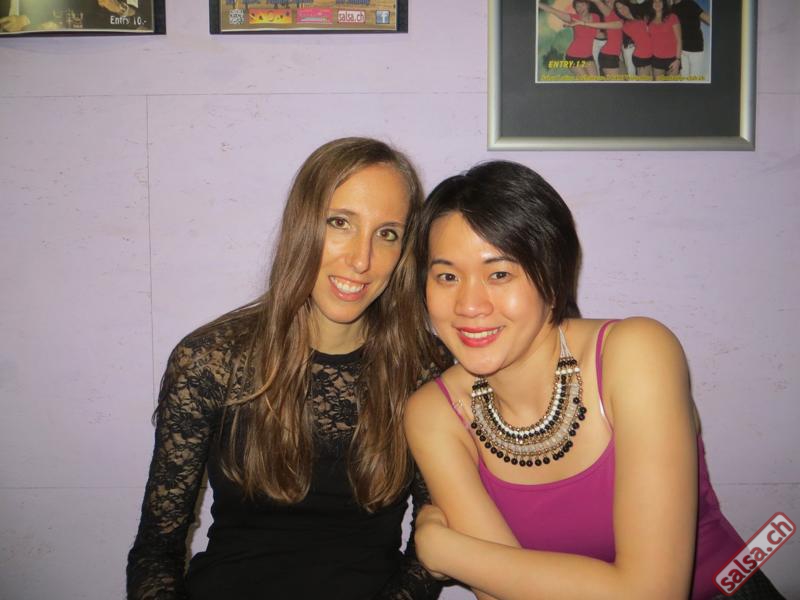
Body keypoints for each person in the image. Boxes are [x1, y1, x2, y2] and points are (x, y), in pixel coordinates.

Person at [404, 161, 785, 600]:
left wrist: (445, 551)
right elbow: (500, 593)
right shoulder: (434, 414)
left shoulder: (636, 353)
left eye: (500, 274)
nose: (469, 305)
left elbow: (654, 594)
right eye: (447, 276)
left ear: (552, 275)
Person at [127, 137, 449, 600]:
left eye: (387, 234)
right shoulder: (209, 361)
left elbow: (430, 548)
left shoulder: (425, 369)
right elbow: (156, 551)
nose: (361, 260)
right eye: (340, 223)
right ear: (303, 225)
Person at [538, 0, 600, 78]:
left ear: (588, 5)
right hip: (573, 57)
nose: (580, 8)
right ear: (575, 9)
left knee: (595, 81)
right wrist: (537, 3)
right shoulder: (573, 18)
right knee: (586, 81)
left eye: (582, 5)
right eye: (577, 6)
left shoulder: (596, 17)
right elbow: (554, 11)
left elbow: (597, 33)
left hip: (588, 56)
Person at [670, 0, 710, 78]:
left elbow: (707, 18)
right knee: (683, 79)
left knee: (695, 79)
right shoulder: (671, 8)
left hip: (695, 49)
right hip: (681, 50)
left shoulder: (690, 3)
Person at [649, 0, 682, 78]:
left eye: (659, 1)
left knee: (672, 85)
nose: (657, 3)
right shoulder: (649, 20)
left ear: (663, 3)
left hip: (672, 59)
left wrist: (678, 60)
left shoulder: (672, 17)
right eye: (655, 1)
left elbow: (679, 40)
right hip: (656, 59)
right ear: (652, 4)